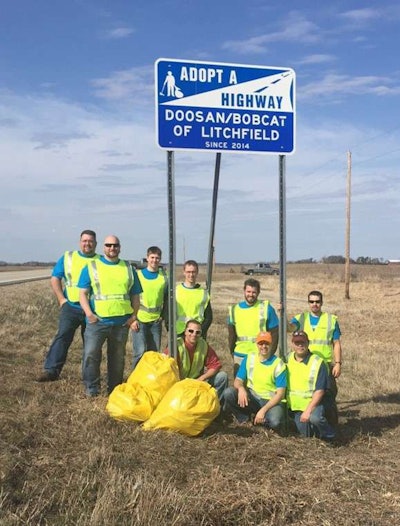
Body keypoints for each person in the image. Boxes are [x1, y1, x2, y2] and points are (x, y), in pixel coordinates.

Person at [78, 235, 142, 397]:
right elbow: (83, 294)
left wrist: (133, 316)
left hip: (121, 324)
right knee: (91, 355)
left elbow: (135, 296)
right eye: (108, 245)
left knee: (117, 359)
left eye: (115, 245)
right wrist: (89, 314)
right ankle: (92, 390)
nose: (112, 248)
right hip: (97, 322)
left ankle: (114, 390)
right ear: (103, 247)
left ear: (120, 247)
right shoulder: (92, 267)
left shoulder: (128, 268)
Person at [37, 229, 98, 382]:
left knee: (91, 345)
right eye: (84, 241)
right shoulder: (68, 257)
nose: (87, 244)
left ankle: (88, 377)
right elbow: (55, 278)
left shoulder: (100, 261)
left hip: (92, 310)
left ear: (95, 243)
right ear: (80, 242)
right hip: (71, 307)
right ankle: (51, 371)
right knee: (62, 337)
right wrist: (61, 300)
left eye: (90, 241)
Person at [287, 290, 342, 425]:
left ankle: (332, 424)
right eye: (311, 301)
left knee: (329, 394)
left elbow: (336, 343)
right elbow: (288, 328)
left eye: (317, 301)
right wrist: (281, 313)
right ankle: (309, 418)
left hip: (324, 364)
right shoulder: (300, 318)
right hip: (305, 362)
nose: (314, 304)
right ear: (308, 303)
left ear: (322, 303)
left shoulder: (331, 320)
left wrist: (338, 363)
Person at [223, 331, 287, 433]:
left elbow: (280, 394)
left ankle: (261, 419)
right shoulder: (249, 358)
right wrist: (241, 388)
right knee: (229, 393)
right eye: (261, 343)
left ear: (272, 345)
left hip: (270, 401)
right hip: (252, 398)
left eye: (267, 343)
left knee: (276, 422)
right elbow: (238, 380)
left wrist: (263, 410)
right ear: (256, 345)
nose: (264, 347)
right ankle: (245, 419)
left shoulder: (278, 364)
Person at [287, 330, 336, 441]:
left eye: (302, 343)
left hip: (314, 403)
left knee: (315, 418)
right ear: (292, 344)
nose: (300, 345)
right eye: (297, 343)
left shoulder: (318, 362)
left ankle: (331, 436)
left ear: (308, 343)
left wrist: (308, 411)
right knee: (305, 434)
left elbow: (320, 391)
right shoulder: (287, 359)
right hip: (295, 406)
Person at [164, 319, 228, 402]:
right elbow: (165, 369)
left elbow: (215, 365)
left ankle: (215, 408)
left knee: (222, 376)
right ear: (185, 332)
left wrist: (202, 378)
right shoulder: (175, 346)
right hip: (178, 385)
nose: (194, 334)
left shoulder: (203, 345)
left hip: (196, 383)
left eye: (198, 332)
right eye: (191, 331)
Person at [228, 278, 279, 376]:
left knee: (258, 387)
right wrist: (232, 352)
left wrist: (269, 354)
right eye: (248, 291)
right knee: (239, 387)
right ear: (244, 291)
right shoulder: (234, 310)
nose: (251, 294)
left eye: (254, 292)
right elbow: (231, 335)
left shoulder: (266, 308)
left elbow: (275, 334)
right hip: (240, 355)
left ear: (259, 292)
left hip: (259, 355)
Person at [131, 246, 168, 369]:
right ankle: (134, 380)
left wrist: (163, 316)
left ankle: (150, 380)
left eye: (157, 258)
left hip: (155, 322)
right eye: (152, 257)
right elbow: (131, 297)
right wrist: (133, 319)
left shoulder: (164, 277)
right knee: (140, 353)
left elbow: (167, 298)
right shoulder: (138, 275)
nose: (154, 260)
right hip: (140, 320)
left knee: (154, 354)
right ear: (147, 258)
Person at [175, 260, 212, 337]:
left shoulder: (203, 292)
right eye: (188, 272)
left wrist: (201, 330)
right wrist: (170, 329)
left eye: (193, 272)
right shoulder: (176, 291)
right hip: (179, 332)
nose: (191, 275)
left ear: (197, 272)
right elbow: (169, 313)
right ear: (184, 272)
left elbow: (208, 317)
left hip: (197, 334)